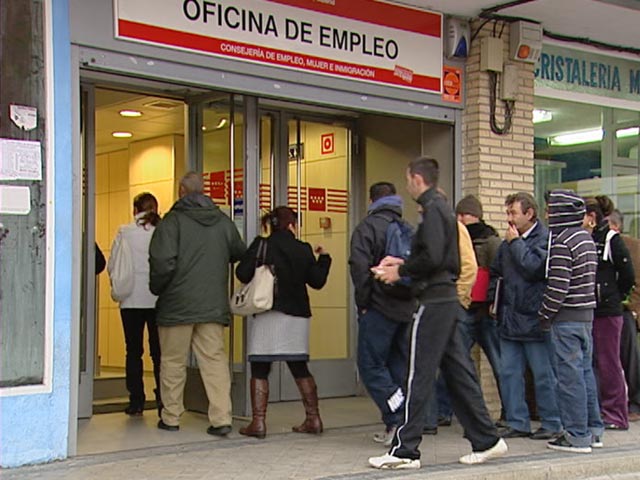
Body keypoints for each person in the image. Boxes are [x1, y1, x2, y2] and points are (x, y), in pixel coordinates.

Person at [368, 157, 506, 470]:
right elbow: (442, 258)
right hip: (446, 301)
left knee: (417, 373)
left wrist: (400, 271)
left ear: (417, 179)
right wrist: (402, 264)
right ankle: (487, 440)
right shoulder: (444, 211)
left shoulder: (432, 210)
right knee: (458, 374)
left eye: (408, 179)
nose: (407, 186)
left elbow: (431, 258)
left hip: (433, 302)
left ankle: (405, 450)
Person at [149, 172, 246, 435]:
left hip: (176, 305)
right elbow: (239, 251)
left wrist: (157, 288)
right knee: (214, 361)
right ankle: (222, 418)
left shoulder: (172, 222)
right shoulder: (222, 221)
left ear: (181, 190)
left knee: (173, 361)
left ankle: (171, 417)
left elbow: (162, 261)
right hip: (212, 306)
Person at [236, 206, 331, 439]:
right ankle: (313, 418)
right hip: (297, 316)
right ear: (291, 225)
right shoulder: (303, 248)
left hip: (267, 312)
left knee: (260, 367)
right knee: (299, 366)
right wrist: (324, 258)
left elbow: (242, 273)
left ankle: (258, 422)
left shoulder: (261, 245)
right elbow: (317, 281)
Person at [489, 192, 562, 440]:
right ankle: (517, 421)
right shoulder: (507, 243)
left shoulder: (544, 239)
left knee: (543, 375)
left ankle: (552, 422)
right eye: (507, 212)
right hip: (509, 317)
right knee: (509, 373)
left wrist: (516, 243)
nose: (509, 218)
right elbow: (496, 272)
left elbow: (535, 269)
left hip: (535, 318)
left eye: (513, 213)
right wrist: (494, 301)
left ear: (529, 213)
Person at [348, 182, 415, 446]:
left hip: (378, 308)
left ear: (371, 200)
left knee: (370, 365)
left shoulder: (367, 228)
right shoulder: (407, 227)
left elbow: (359, 269)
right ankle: (403, 423)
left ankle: (396, 414)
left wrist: (363, 303)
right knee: (398, 366)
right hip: (405, 308)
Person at [539, 190, 603, 454]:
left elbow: (558, 288)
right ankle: (594, 431)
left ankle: (576, 435)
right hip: (586, 316)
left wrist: (544, 314)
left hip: (566, 319)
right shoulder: (586, 239)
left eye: (550, 210)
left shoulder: (562, 242)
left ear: (560, 214)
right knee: (585, 374)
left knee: (569, 379)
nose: (547, 216)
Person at [109, 192, 162, 416]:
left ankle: (136, 400)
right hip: (158, 299)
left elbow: (113, 263)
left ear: (135, 210)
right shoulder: (162, 232)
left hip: (130, 300)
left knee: (133, 351)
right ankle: (163, 399)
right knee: (158, 352)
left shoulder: (125, 232)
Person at [584, 196, 635, 430]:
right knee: (592, 362)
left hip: (607, 311)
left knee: (609, 362)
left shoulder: (611, 240)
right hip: (589, 309)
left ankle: (616, 414)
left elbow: (628, 276)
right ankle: (596, 411)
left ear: (591, 217)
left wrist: (612, 296)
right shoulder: (586, 239)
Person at [608, 210, 640, 421]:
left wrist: (632, 307)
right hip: (605, 310)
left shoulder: (633, 247)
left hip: (625, 310)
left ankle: (635, 403)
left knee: (629, 357)